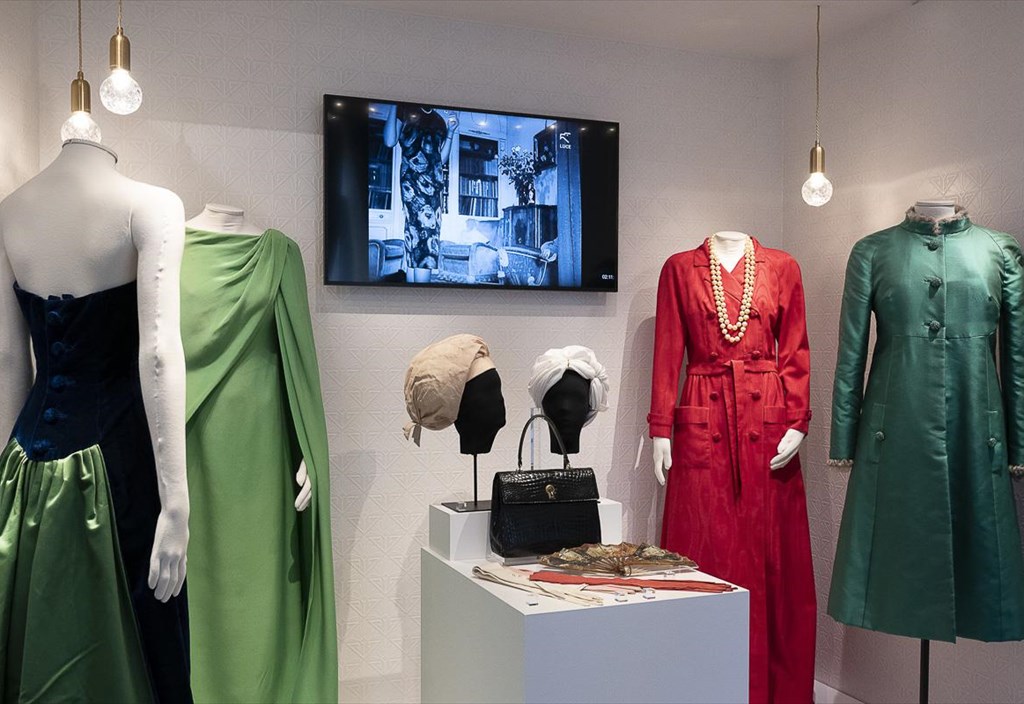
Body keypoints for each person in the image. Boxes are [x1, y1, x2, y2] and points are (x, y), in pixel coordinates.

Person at [384, 104, 458, 283]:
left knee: (420, 236)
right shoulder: (404, 109)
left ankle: (413, 292)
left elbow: (440, 159)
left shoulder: (439, 120)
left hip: (434, 186)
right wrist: (393, 102)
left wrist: (451, 131)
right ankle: (421, 293)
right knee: (422, 235)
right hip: (412, 183)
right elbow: (389, 141)